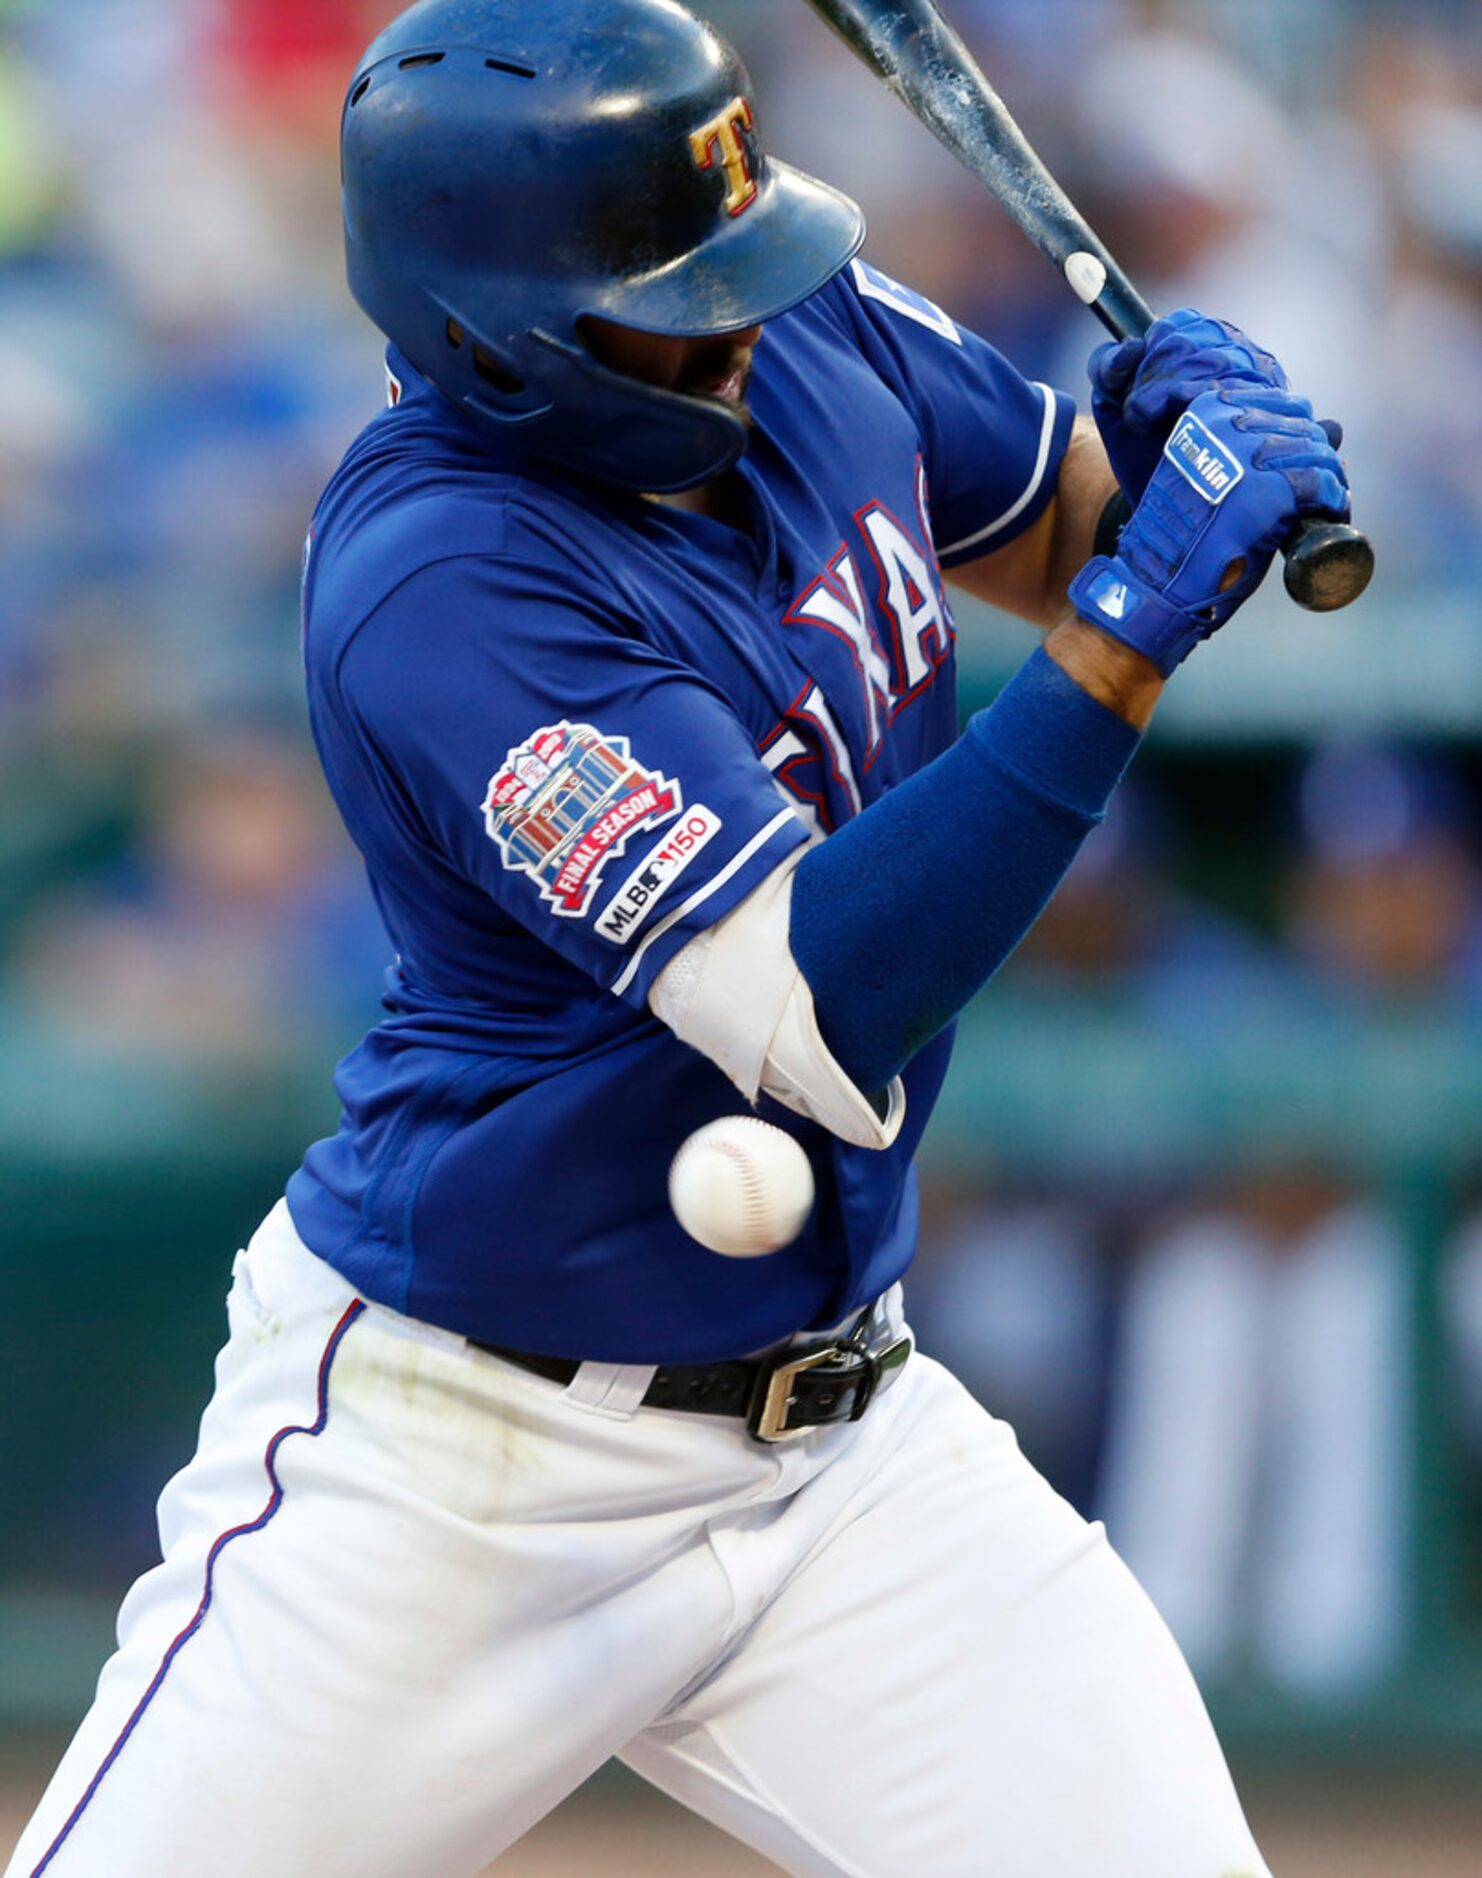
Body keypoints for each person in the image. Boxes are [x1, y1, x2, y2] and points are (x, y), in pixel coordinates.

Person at [8, 3, 1352, 1874]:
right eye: (670, 291)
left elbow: (1064, 534)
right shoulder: (441, 578)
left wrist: (1173, 462)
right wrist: (1124, 632)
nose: (736, 322)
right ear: (488, 327)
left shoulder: (775, 321)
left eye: (741, 261)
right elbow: (818, 999)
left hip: (846, 1451)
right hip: (470, 1461)